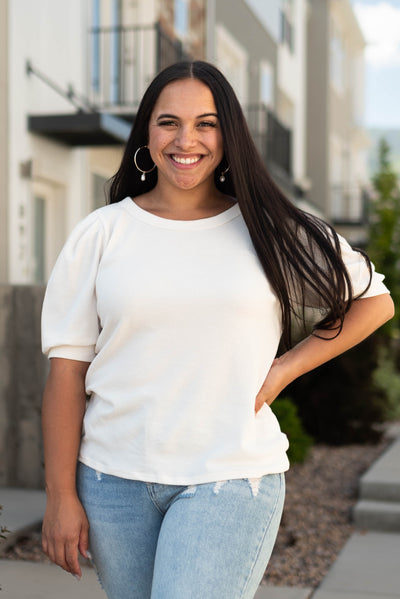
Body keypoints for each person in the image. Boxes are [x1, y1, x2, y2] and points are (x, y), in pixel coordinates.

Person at [41, 61, 394, 599]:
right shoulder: (101, 234)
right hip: (112, 482)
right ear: (147, 133)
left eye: (206, 123)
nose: (187, 140)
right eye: (169, 122)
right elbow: (66, 375)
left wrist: (284, 370)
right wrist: (60, 495)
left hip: (230, 477)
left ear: (229, 136)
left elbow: (374, 301)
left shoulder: (271, 228)